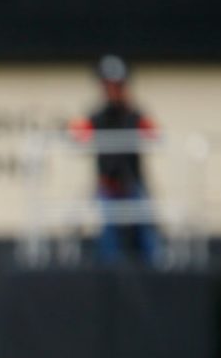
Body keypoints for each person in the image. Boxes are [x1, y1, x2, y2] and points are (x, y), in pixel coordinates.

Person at [69, 54, 161, 266]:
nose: (112, 91)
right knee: (109, 234)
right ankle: (111, 275)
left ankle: (156, 271)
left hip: (134, 183)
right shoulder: (97, 116)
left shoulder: (135, 115)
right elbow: (77, 135)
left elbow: (155, 135)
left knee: (146, 232)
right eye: (108, 86)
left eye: (117, 86)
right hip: (107, 186)